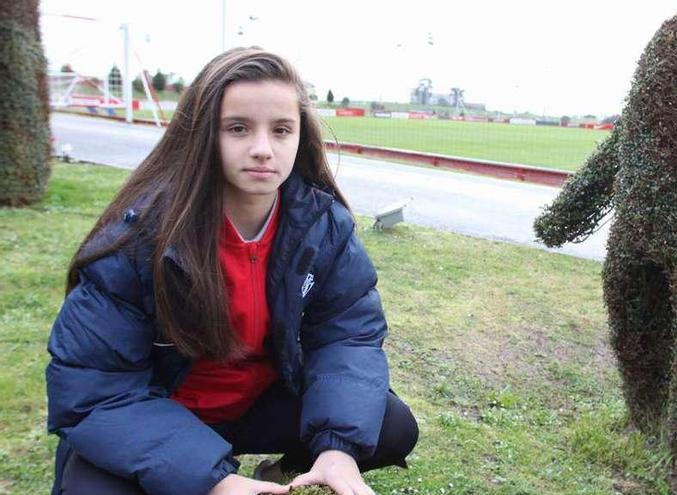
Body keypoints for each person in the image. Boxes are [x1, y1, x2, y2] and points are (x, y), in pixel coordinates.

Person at [45, 47, 418, 495]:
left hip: (256, 405)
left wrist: (337, 448)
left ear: (301, 136)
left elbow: (347, 335)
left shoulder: (322, 225)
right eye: (238, 128)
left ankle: (284, 475)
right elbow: (94, 394)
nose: (263, 149)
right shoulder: (138, 238)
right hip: (163, 411)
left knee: (390, 424)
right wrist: (214, 480)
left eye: (281, 130)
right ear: (203, 134)